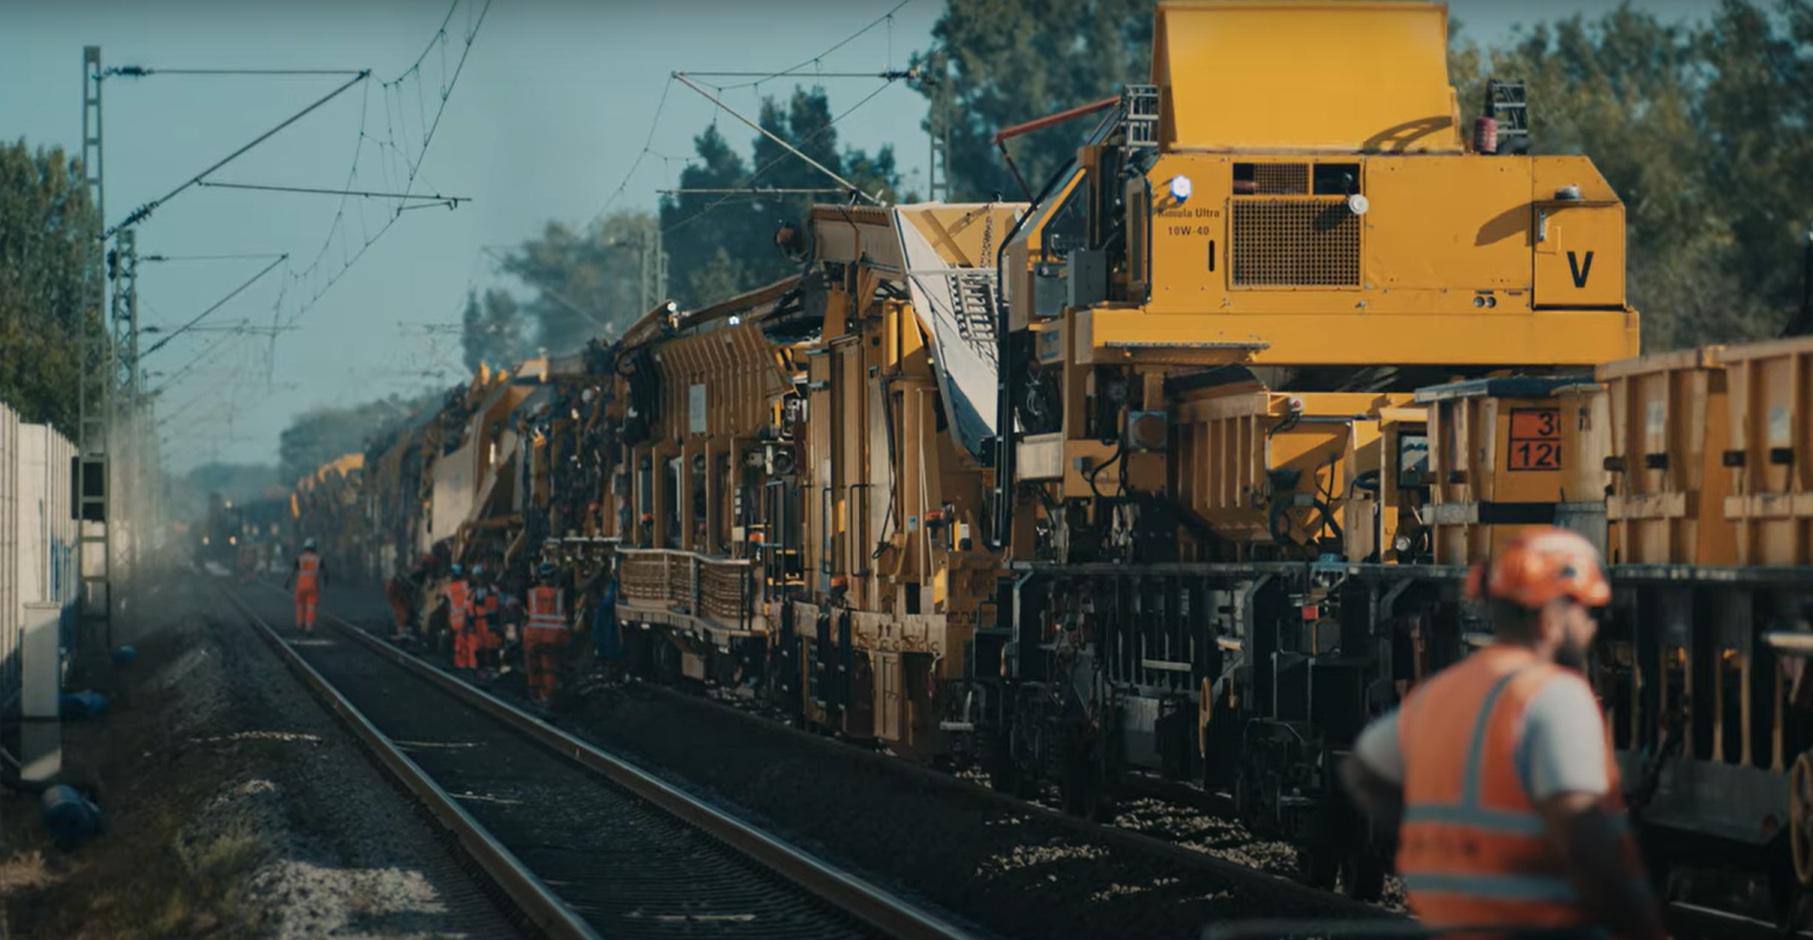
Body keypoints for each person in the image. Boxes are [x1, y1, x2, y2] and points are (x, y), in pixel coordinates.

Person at [1340, 528, 1668, 940]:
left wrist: (1429, 839)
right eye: (1589, 612)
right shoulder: (1552, 697)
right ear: (1550, 617)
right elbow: (1586, 837)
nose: (1591, 627)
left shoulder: (1443, 691)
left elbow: (1363, 770)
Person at [524, 561, 571, 703]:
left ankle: (534, 697)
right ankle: (547, 697)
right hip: (553, 639)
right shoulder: (560, 594)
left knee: (533, 669)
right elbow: (578, 591)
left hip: (533, 638)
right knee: (549, 670)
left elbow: (514, 605)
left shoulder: (532, 593)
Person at [283, 538, 325, 634]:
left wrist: (287, 582)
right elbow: (324, 572)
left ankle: (299, 625)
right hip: (312, 587)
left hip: (300, 587)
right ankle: (309, 627)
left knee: (300, 606)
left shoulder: (300, 559)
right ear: (314, 548)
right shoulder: (318, 559)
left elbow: (292, 572)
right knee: (311, 607)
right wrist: (325, 583)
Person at [445, 563, 473, 669]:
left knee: (461, 649)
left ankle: (462, 668)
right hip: (465, 624)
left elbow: (449, 608)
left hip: (458, 624)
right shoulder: (466, 586)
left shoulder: (450, 588)